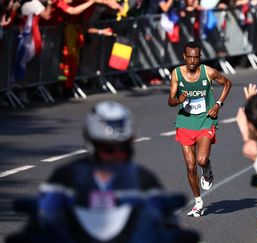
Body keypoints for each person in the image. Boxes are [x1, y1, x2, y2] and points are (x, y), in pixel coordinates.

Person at [7, 101, 199, 243]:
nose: (116, 155)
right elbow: (44, 211)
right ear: (92, 144)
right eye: (108, 149)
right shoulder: (66, 176)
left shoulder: (143, 179)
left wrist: (175, 232)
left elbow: (165, 217)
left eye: (122, 148)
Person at [168, 41, 232, 217]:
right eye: (189, 57)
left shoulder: (208, 72)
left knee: (201, 160)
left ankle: (207, 169)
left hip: (205, 119)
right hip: (185, 121)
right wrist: (179, 99)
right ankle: (198, 202)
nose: (192, 61)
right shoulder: (176, 74)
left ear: (200, 57)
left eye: (196, 57)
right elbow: (170, 101)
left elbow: (228, 83)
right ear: (184, 56)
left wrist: (218, 104)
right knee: (190, 166)